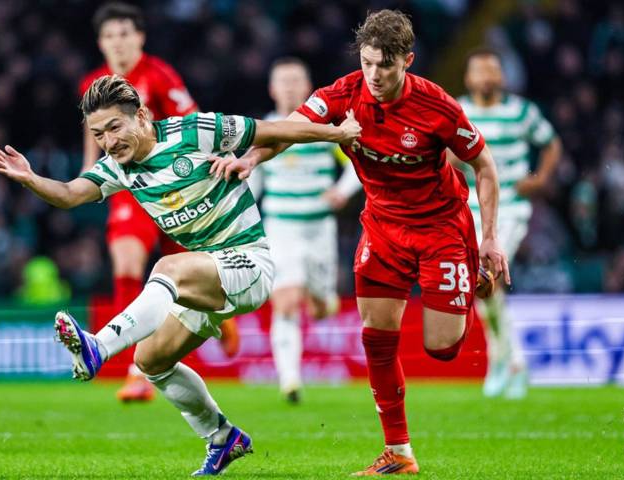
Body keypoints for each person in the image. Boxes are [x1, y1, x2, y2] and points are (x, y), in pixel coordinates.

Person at [0, 75, 361, 476]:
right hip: (206, 274)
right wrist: (31, 180)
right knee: (151, 360)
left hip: (249, 263)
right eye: (99, 135)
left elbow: (276, 129)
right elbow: (68, 194)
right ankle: (221, 437)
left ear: (142, 116)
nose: (109, 142)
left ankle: (98, 346)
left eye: (115, 127)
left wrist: (336, 132)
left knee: (167, 268)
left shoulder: (196, 131)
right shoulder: (119, 168)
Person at [211, 9, 508, 476]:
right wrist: (250, 160)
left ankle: (472, 275)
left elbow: (485, 166)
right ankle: (399, 452)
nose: (373, 74)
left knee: (442, 347)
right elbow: (288, 128)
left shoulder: (438, 107)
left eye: (384, 66)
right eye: (367, 62)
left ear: (407, 61)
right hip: (383, 228)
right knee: (376, 339)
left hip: (441, 229)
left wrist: (490, 239)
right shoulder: (343, 94)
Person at [78, 2, 239, 402]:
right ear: (100, 42)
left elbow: (192, 120)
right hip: (129, 188)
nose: (118, 43)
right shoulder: (93, 84)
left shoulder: (159, 74)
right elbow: (92, 139)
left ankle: (218, 312)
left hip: (171, 189)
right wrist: (87, 178)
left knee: (182, 277)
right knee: (129, 264)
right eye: (110, 35)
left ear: (140, 37)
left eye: (125, 34)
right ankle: (134, 369)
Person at [247, 57, 361, 404]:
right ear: (272, 88)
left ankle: (323, 299)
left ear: (308, 86)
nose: (290, 86)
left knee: (321, 306)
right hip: (281, 226)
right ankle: (290, 380)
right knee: (286, 299)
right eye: (284, 81)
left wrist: (342, 191)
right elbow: (253, 180)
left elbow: (355, 164)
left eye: (297, 80)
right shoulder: (263, 129)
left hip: (319, 227)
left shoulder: (324, 128)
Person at [454, 47, 561, 399]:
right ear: (469, 78)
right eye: (480, 71)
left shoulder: (521, 112)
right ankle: (508, 361)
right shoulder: (459, 110)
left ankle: (507, 362)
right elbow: (445, 151)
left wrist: (540, 178)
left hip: (511, 207)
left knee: (487, 277)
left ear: (501, 76)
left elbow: (551, 144)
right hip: (468, 207)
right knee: (482, 287)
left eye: (492, 71)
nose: (486, 77)